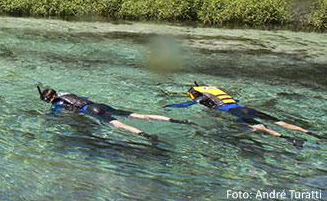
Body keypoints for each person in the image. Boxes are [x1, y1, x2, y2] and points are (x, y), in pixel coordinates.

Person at [164, 83, 325, 145]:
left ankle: (289, 138)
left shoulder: (200, 99)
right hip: (244, 107)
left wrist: (170, 106)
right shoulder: (217, 91)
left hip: (236, 111)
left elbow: (185, 105)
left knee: (260, 126)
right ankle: (313, 134)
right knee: (279, 122)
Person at [39, 86, 196, 144]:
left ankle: (147, 136)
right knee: (137, 115)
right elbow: (83, 100)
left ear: (49, 99)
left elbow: (56, 114)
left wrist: (45, 116)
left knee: (119, 124)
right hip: (98, 105)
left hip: (92, 111)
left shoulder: (57, 103)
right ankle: (177, 121)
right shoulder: (67, 93)